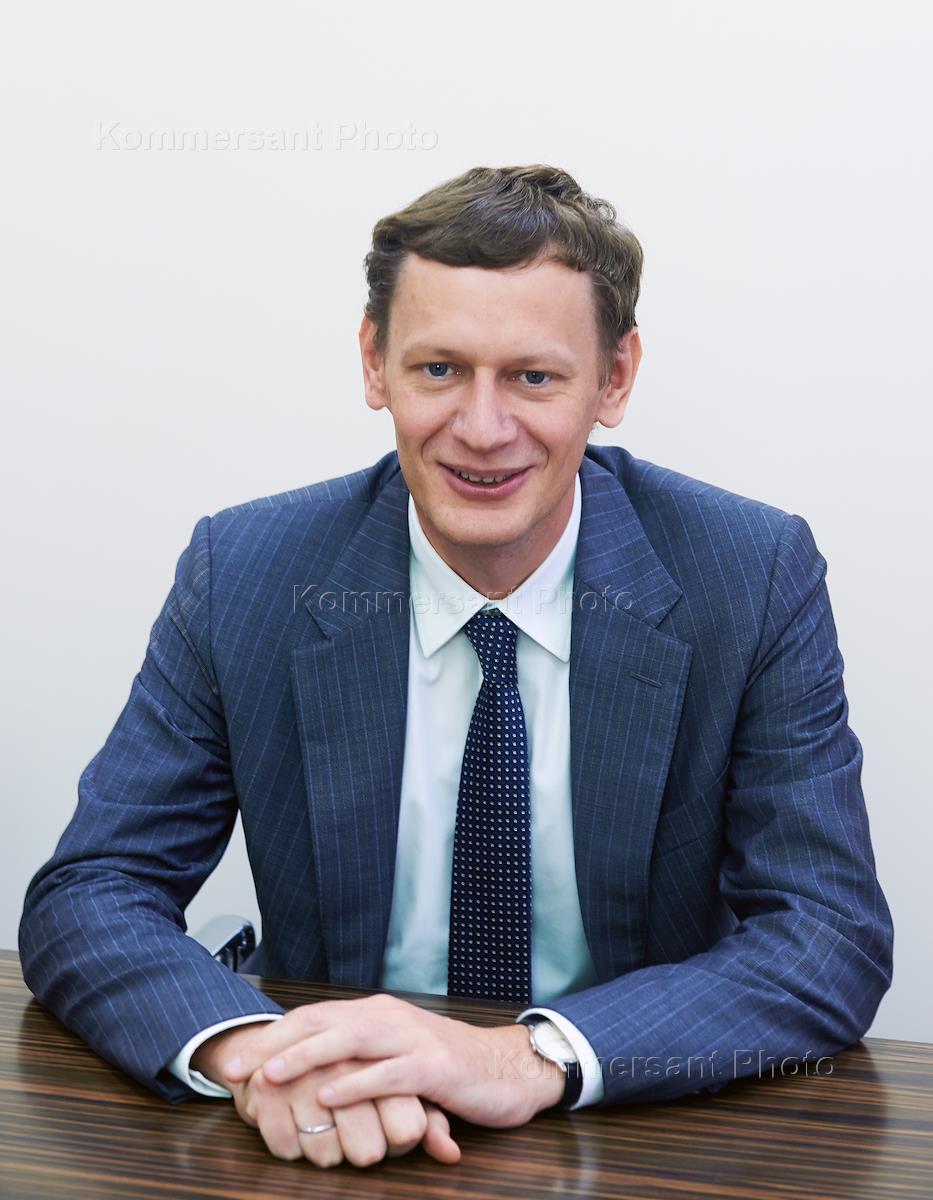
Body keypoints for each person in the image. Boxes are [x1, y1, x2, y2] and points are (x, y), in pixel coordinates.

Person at [19, 164, 893, 1170]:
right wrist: (261, 1055)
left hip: (628, 1129)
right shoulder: (247, 573)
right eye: (439, 369)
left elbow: (825, 934)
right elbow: (93, 888)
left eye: (533, 377)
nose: (481, 429)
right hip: (341, 1129)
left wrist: (526, 1057)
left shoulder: (749, 575)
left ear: (614, 379)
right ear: (373, 362)